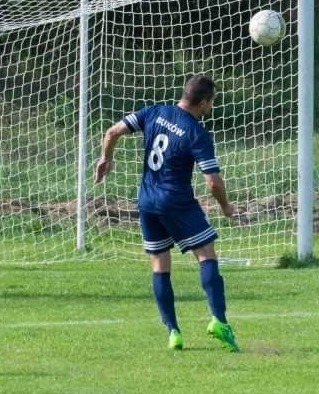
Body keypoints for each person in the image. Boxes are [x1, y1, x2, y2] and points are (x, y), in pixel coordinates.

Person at [94, 74, 240, 352]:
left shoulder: (153, 111)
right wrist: (225, 206)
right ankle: (219, 321)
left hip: (147, 202)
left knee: (160, 265)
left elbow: (111, 132)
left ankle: (173, 332)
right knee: (206, 255)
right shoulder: (197, 132)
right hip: (177, 202)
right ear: (204, 101)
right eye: (212, 102)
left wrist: (106, 157)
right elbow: (212, 181)